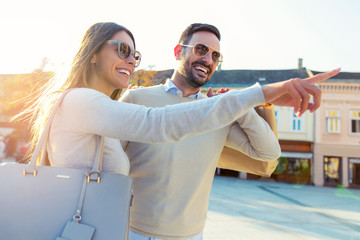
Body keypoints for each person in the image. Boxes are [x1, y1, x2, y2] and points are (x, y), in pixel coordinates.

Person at [120, 23, 340, 240]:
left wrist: (237, 106)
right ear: (178, 52)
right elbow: (106, 161)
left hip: (191, 235)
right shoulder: (136, 99)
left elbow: (269, 153)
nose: (208, 60)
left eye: (216, 56)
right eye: (201, 49)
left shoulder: (217, 114)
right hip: (131, 231)